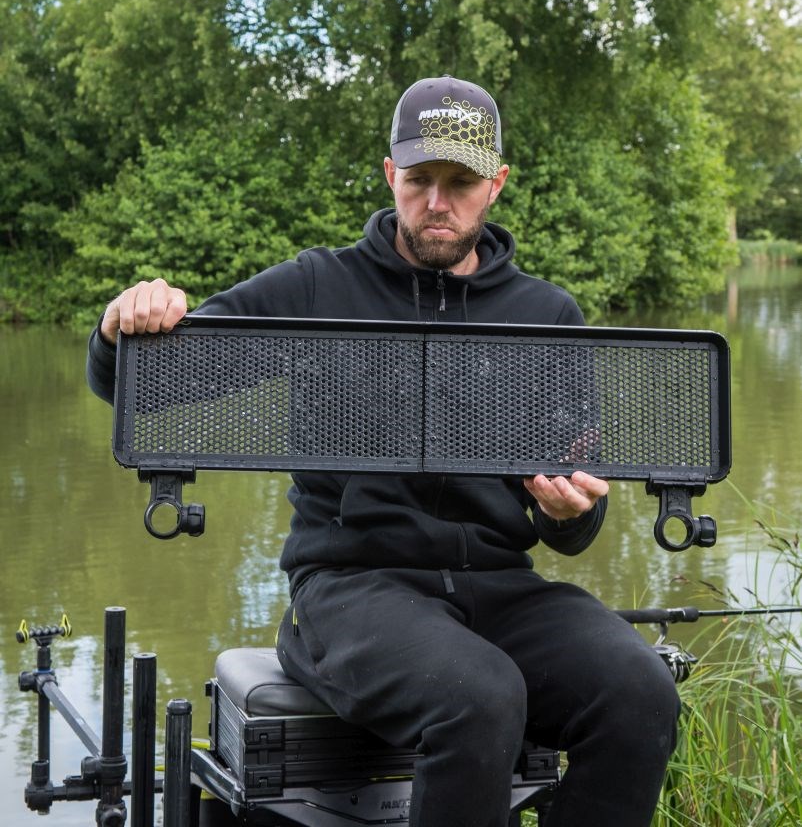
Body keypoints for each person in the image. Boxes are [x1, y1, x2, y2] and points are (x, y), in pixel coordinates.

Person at [87, 75, 680, 827]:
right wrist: (121, 327)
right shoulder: (316, 287)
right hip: (349, 591)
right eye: (420, 179)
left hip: (501, 587)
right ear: (390, 174)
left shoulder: (546, 314)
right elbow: (139, 386)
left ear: (496, 184)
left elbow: (572, 527)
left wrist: (569, 513)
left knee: (639, 690)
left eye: (460, 182)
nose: (438, 201)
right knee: (478, 695)